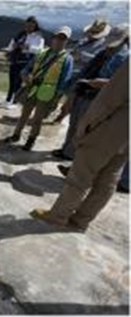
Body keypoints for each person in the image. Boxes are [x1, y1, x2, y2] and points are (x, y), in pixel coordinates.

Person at [30, 60, 128, 231]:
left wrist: (85, 127)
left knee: (81, 175)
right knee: (108, 180)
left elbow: (109, 100)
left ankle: (58, 216)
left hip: (110, 129)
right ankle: (81, 220)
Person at [52, 24, 128, 161]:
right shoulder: (103, 52)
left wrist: (102, 83)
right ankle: (67, 151)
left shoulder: (125, 57)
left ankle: (75, 157)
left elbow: (119, 84)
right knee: (74, 123)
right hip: (83, 90)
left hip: (98, 97)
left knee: (84, 129)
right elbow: (86, 69)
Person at [6, 27, 74, 151]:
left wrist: (56, 96)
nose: (59, 40)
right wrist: (25, 74)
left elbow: (65, 80)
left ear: (66, 41)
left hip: (48, 92)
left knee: (37, 119)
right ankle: (16, 135)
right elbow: (29, 67)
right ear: (53, 38)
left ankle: (31, 140)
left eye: (63, 38)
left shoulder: (67, 59)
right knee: (24, 114)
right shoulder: (42, 53)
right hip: (33, 87)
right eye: (58, 37)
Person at [54, 19, 114, 124]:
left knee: (71, 98)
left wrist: (80, 55)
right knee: (60, 92)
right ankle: (55, 111)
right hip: (70, 70)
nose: (90, 35)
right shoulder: (84, 40)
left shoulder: (103, 45)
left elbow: (97, 59)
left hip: (82, 74)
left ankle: (61, 116)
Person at [3, 17, 45, 107]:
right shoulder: (20, 35)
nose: (29, 27)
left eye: (31, 25)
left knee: (18, 81)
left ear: (35, 26)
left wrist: (28, 47)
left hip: (27, 61)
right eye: (27, 25)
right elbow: (10, 46)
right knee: (12, 79)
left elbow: (40, 50)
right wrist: (13, 47)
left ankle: (15, 100)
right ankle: (8, 99)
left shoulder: (38, 37)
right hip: (15, 59)